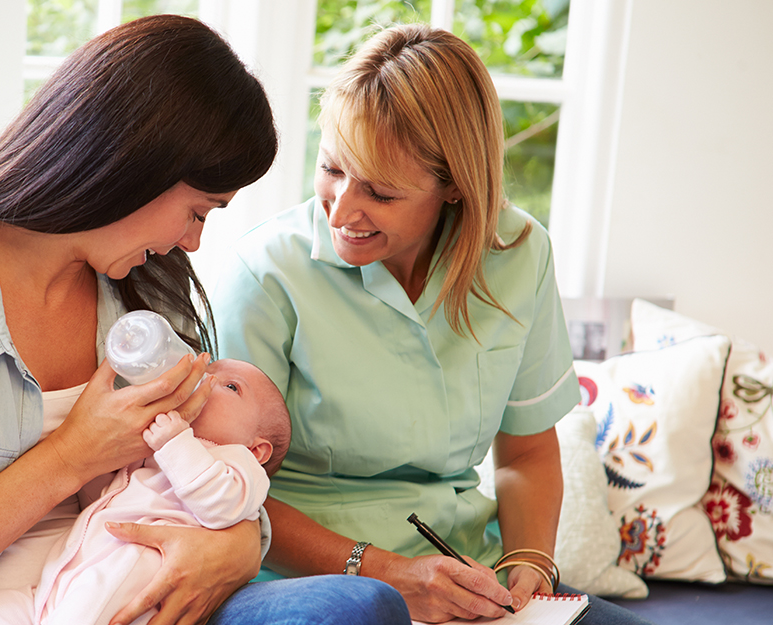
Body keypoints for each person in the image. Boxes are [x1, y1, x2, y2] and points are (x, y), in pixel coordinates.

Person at [0, 14, 409, 625]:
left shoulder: (152, 291)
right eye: (197, 212)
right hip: (5, 612)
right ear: (134, 165)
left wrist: (234, 547)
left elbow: (221, 476)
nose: (193, 244)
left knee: (359, 607)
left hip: (152, 602)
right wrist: (70, 457)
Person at [211, 22, 656, 625]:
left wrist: (529, 564)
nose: (341, 210)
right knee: (367, 612)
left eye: (381, 192)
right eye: (331, 169)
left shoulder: (520, 254)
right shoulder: (264, 274)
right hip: (300, 582)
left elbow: (525, 451)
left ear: (454, 186)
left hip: (461, 572)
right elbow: (230, 493)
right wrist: (395, 577)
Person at [0, 358, 291, 625]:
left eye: (231, 387)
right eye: (207, 371)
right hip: (74, 567)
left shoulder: (239, 462)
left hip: (135, 565)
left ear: (258, 449)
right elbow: (101, 493)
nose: (205, 381)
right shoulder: (157, 447)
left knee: (80, 614)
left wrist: (174, 443)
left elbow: (222, 506)